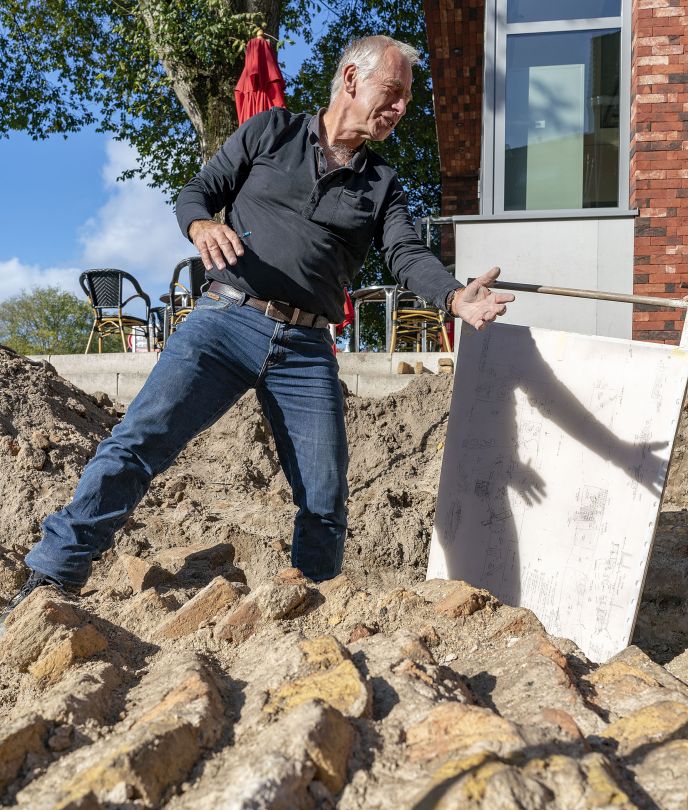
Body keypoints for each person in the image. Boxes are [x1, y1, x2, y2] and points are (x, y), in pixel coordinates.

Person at [0, 35, 514, 630]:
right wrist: (198, 225)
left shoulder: (383, 184)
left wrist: (451, 296)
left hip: (306, 349)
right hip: (225, 321)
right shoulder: (271, 132)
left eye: (405, 100)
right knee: (136, 444)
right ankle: (52, 578)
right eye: (392, 93)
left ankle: (309, 616)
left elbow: (405, 253)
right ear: (351, 80)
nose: (400, 109)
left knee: (323, 499)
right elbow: (196, 193)